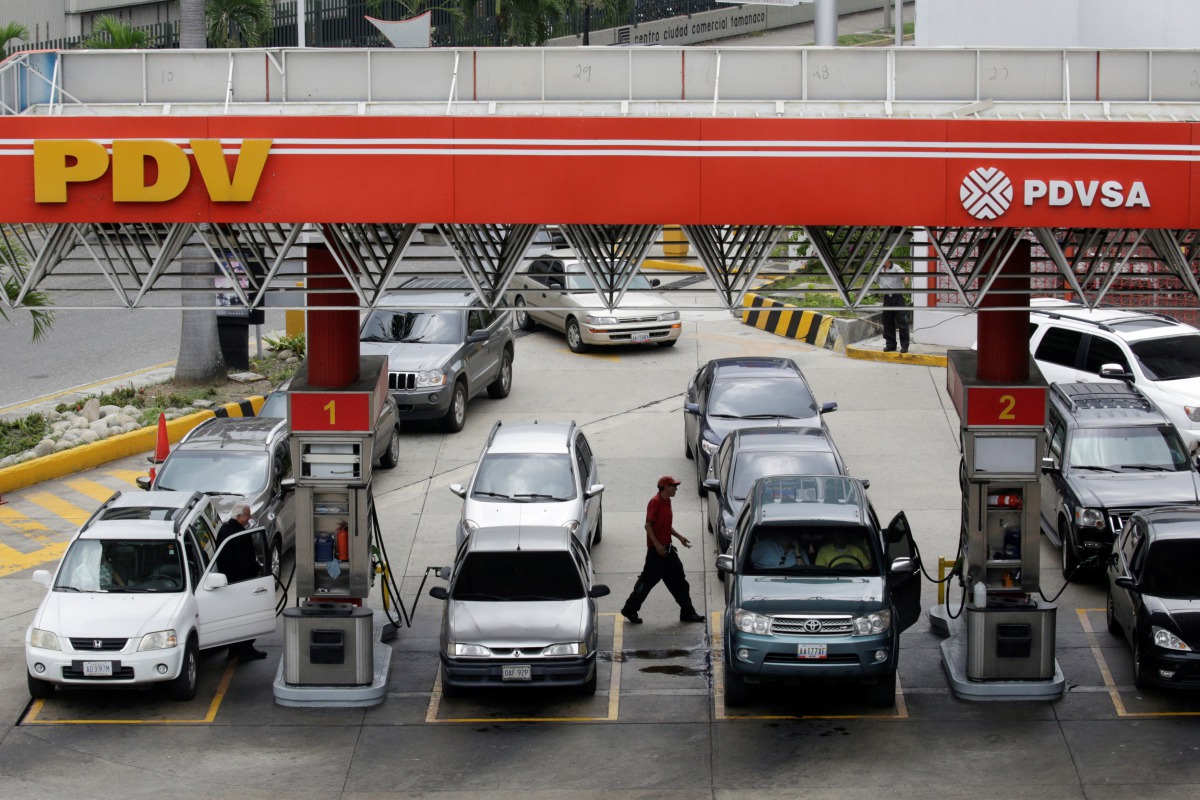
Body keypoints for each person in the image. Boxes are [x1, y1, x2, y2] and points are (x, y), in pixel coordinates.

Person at [620, 476, 705, 624]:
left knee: (680, 582)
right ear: (665, 487)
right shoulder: (655, 502)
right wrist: (658, 546)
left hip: (668, 551)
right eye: (673, 486)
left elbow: (665, 525)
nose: (676, 489)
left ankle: (687, 612)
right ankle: (630, 608)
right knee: (646, 583)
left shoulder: (667, 502)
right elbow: (648, 526)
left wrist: (679, 537)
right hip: (657, 553)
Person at [216, 504, 268, 661]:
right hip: (241, 582)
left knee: (233, 618)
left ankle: (234, 648)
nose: (250, 518)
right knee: (246, 617)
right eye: (247, 515)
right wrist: (257, 569)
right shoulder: (239, 534)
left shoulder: (225, 529)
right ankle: (245, 649)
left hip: (228, 582)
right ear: (238, 516)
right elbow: (246, 561)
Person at [878, 259, 910, 354]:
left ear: (888, 259)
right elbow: (872, 279)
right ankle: (890, 344)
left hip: (897, 297)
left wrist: (906, 278)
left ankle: (904, 345)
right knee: (887, 321)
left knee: (902, 321)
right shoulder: (880, 269)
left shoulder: (895, 267)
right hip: (887, 297)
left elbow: (904, 274)